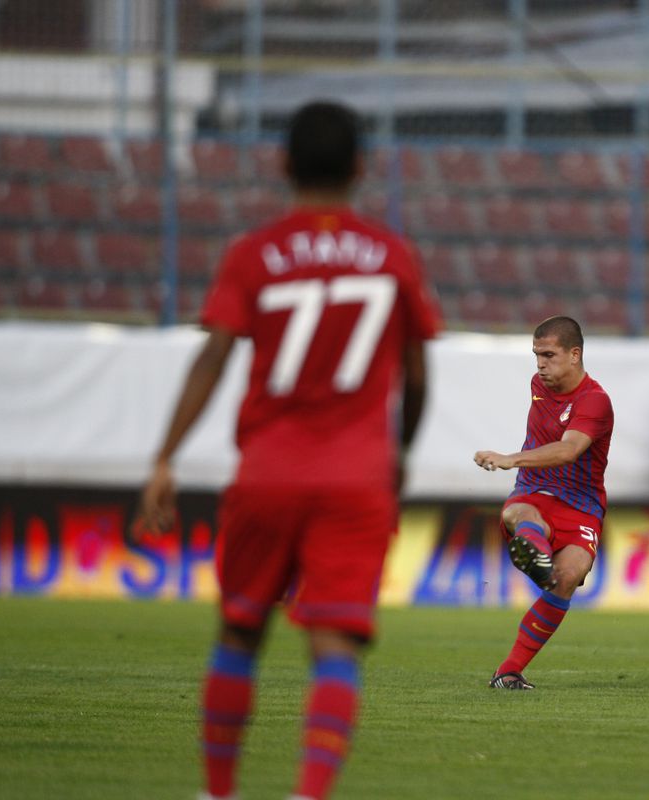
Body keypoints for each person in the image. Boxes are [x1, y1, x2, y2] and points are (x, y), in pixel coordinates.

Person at [137, 101, 440, 800]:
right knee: (334, 645)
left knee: (241, 631)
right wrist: (398, 456)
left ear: (283, 164)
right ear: (362, 168)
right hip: (356, 479)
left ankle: (219, 793)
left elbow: (213, 355)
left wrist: (164, 457)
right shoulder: (393, 256)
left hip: (268, 471)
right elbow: (419, 376)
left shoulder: (254, 254)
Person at [473, 316, 614, 690]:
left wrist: (510, 457)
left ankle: (508, 671)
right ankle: (534, 552)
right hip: (534, 491)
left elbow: (569, 450)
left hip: (581, 505)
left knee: (566, 578)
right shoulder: (539, 384)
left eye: (548, 355)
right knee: (519, 512)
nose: (540, 364)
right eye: (536, 355)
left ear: (575, 354)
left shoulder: (596, 401)